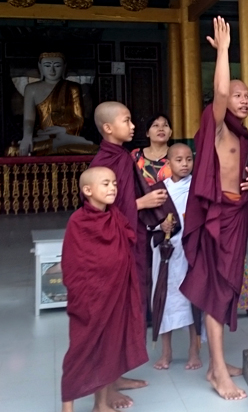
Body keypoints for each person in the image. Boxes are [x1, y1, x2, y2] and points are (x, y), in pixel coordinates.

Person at [180, 16, 248, 400]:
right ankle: (218, 374)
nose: (242, 101)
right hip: (215, 218)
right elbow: (220, 94)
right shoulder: (219, 127)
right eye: (238, 95)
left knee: (226, 290)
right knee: (216, 291)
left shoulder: (246, 136)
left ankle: (216, 362)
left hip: (236, 215)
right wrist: (225, 52)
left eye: (247, 97)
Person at [90, 101, 168, 409]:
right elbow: (100, 211)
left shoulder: (121, 157)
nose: (133, 125)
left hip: (131, 242)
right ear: (109, 128)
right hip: (114, 248)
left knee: (127, 310)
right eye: (127, 120)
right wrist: (142, 203)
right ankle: (105, 388)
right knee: (113, 315)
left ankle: (116, 374)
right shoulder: (103, 162)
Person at [60, 167, 148, 412]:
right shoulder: (78, 221)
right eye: (105, 184)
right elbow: (72, 264)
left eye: (114, 184)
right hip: (90, 299)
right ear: (87, 191)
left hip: (116, 293)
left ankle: (101, 403)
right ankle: (67, 407)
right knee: (82, 350)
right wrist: (86, 294)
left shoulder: (115, 215)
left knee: (110, 345)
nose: (112, 188)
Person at [150, 143, 202, 371]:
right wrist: (160, 224)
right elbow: (148, 220)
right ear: (168, 163)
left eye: (188, 159)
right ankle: (166, 352)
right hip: (165, 253)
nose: (185, 164)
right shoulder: (159, 190)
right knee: (165, 297)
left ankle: (194, 350)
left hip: (190, 250)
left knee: (193, 298)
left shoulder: (198, 188)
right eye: (179, 160)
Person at [19, 52, 95, 155]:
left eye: (57, 66)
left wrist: (63, 130)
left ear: (64, 67)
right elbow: (29, 118)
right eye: (47, 65)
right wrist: (27, 137)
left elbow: (79, 119)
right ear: (40, 67)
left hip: (67, 137)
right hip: (43, 137)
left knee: (93, 150)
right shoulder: (31, 89)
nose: (52, 70)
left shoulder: (73, 88)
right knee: (12, 150)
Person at [131, 113, 173, 185]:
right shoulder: (136, 155)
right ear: (147, 133)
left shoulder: (177, 154)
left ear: (170, 132)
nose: (161, 129)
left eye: (165, 125)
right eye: (155, 125)